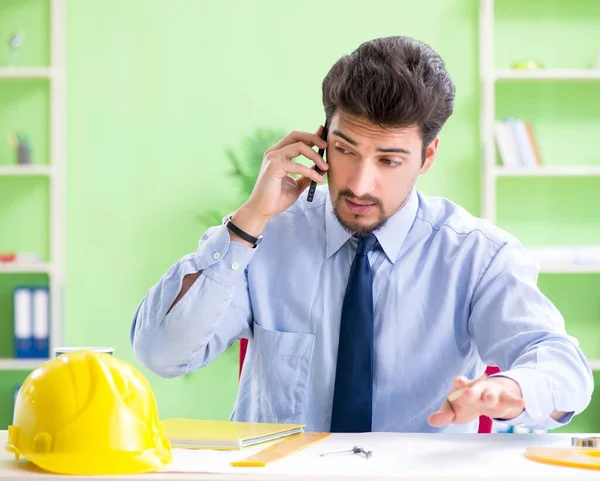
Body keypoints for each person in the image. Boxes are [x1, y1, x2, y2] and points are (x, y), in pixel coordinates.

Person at [130, 36, 593, 433]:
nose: (359, 184)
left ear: (427, 156)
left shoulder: (476, 255)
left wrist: (512, 388)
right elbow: (162, 354)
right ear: (320, 138)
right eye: (345, 150)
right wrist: (249, 219)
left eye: (389, 160)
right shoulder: (264, 237)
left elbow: (563, 367)